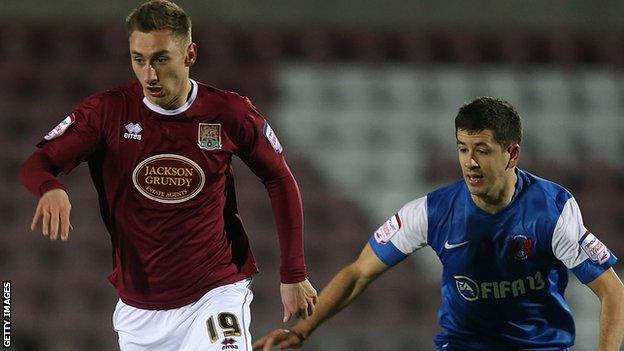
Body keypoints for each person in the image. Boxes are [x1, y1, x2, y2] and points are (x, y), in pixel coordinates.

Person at [19, 1, 317, 350]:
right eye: (139, 59)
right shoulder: (107, 112)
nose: (149, 75)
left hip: (215, 292)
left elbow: (279, 179)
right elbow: (37, 163)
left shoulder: (229, 113)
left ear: (189, 54)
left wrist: (293, 274)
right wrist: (50, 187)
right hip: (140, 310)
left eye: (161, 59)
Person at [253, 97, 624, 351]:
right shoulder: (432, 212)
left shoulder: (552, 210)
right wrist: (301, 331)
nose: (470, 162)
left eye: (482, 150)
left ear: (512, 154)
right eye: (463, 148)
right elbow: (359, 273)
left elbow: (613, 291)